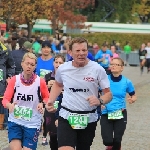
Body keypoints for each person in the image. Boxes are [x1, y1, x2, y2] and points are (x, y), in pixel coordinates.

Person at [46, 37, 112, 150]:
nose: (81, 53)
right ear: (70, 52)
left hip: (88, 118)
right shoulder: (63, 69)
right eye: (78, 51)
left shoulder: (97, 69)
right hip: (66, 115)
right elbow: (58, 84)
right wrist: (50, 100)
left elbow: (108, 94)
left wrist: (100, 100)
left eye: (84, 50)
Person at [2, 52, 49, 150]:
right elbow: (5, 99)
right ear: (22, 64)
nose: (29, 67)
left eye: (32, 65)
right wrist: (9, 105)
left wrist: (42, 104)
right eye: (27, 63)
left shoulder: (40, 82)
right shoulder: (15, 80)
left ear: (35, 66)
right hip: (15, 121)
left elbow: (47, 98)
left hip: (32, 123)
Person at [100, 57, 137, 150]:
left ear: (122, 68)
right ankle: (110, 146)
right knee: (107, 141)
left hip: (120, 113)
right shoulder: (104, 80)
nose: (113, 66)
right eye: (112, 64)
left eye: (116, 64)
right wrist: (99, 101)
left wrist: (132, 99)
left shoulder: (127, 82)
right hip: (106, 113)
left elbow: (133, 95)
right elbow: (97, 92)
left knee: (117, 140)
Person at [44, 54, 65, 149]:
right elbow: (42, 94)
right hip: (50, 108)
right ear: (53, 63)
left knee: (62, 134)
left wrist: (64, 89)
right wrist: (46, 87)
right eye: (56, 62)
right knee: (52, 134)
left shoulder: (67, 77)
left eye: (60, 62)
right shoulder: (48, 76)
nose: (58, 64)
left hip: (63, 107)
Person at [0, 41, 15, 130]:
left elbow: (11, 66)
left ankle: (3, 124)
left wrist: (9, 76)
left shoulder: (5, 51)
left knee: (3, 103)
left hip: (1, 83)